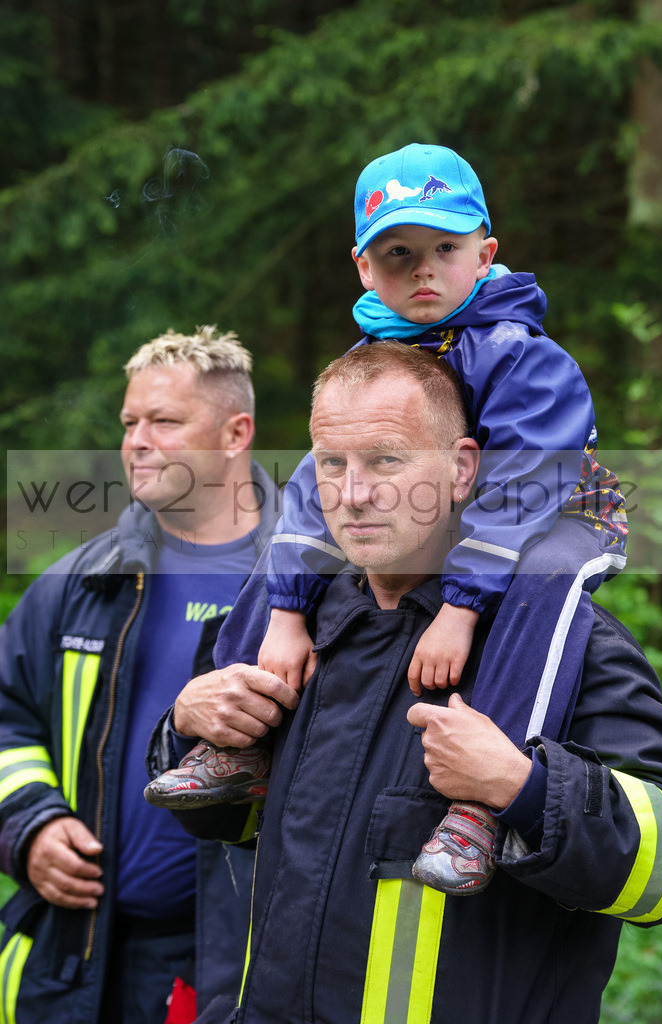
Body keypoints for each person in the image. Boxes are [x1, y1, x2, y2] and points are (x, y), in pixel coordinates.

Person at [148, 343, 662, 1024]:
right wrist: (186, 728)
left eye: (386, 461)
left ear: (462, 469)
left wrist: (526, 791)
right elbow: (230, 821)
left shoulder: (572, 646)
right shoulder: (296, 634)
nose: (352, 495)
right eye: (331, 465)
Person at [148, 143, 628, 895]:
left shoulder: (519, 355)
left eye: (445, 247)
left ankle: (480, 803)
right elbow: (316, 484)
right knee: (284, 541)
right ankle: (233, 740)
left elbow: (522, 485)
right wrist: (284, 615)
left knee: (546, 574)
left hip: (547, 515)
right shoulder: (373, 352)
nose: (423, 269)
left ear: (485, 252)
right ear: (364, 267)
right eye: (398, 253)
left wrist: (461, 611)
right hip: (432, 527)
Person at [0, 326, 281, 1024]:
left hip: (242, 968)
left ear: (235, 432)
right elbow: (6, 713)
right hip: (76, 956)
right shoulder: (82, 581)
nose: (137, 440)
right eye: (130, 421)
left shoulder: (310, 587)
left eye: (164, 421)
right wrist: (29, 825)